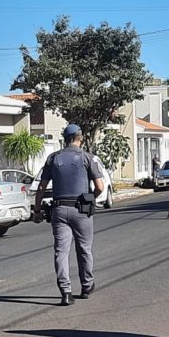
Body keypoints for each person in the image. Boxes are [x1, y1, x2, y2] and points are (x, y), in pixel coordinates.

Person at [33, 124, 106, 306]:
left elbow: (41, 187)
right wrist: (90, 199)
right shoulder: (87, 158)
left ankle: (65, 292)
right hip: (81, 210)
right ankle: (86, 286)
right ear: (81, 138)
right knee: (84, 249)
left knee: (61, 252)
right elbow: (100, 187)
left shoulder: (53, 158)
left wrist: (37, 210)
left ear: (64, 139)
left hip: (59, 210)